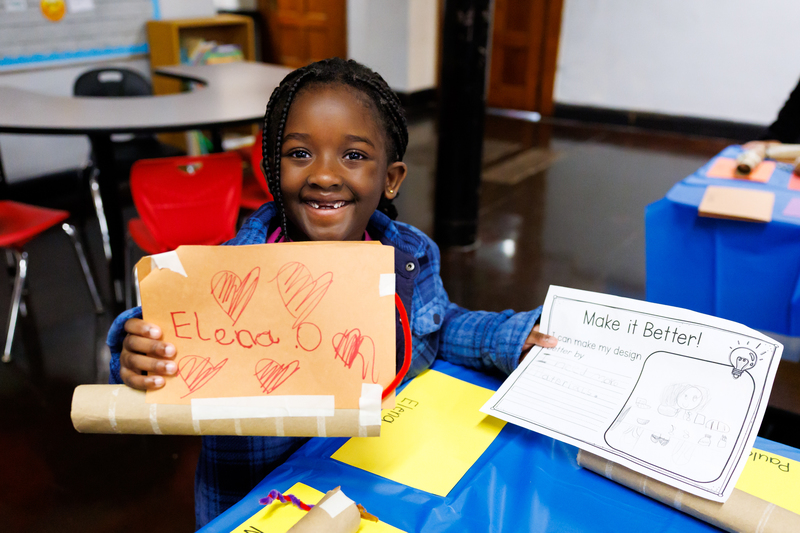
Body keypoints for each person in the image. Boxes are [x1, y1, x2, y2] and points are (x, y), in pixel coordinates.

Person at [107, 57, 557, 528]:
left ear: (391, 178)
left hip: (374, 488)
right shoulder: (224, 276)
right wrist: (135, 354)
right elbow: (156, 339)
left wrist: (507, 337)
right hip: (259, 503)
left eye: (354, 156)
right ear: (270, 168)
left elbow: (438, 325)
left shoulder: (409, 257)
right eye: (300, 154)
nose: (323, 175)